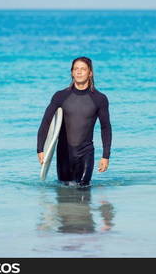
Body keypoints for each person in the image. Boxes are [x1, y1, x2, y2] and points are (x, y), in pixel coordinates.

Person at [37, 56, 112, 186]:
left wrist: (106, 156)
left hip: (86, 153)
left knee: (84, 192)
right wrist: (40, 149)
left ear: (90, 73)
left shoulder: (99, 99)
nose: (79, 71)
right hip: (64, 155)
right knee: (64, 196)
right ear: (72, 72)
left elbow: (105, 128)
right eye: (76, 69)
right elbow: (46, 122)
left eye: (83, 69)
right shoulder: (60, 96)